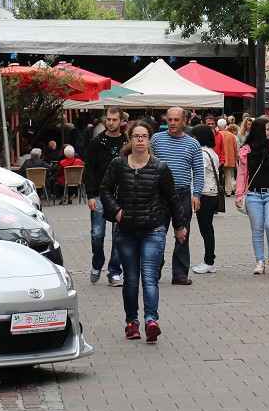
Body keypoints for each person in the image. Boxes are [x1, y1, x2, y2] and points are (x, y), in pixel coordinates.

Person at [99, 120, 188, 343]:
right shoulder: (118, 164)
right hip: (126, 230)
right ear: (130, 140)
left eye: (144, 136)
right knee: (130, 278)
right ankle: (132, 322)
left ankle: (151, 321)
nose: (140, 140)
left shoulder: (160, 167)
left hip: (153, 229)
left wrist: (179, 226)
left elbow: (172, 198)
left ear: (149, 140)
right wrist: (116, 212)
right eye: (136, 136)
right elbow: (105, 191)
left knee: (149, 277)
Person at [150, 107, 203, 286]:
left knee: (183, 234)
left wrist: (196, 194)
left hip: (182, 194)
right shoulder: (156, 139)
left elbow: (198, 171)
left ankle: (180, 273)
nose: (172, 123)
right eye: (169, 119)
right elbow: (148, 164)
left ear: (185, 121)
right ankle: (154, 269)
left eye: (176, 120)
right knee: (157, 233)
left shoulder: (193, 144)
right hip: (159, 195)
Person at [236, 117, 269, 274]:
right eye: (267, 129)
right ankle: (259, 261)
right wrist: (239, 193)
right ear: (260, 131)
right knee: (257, 229)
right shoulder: (246, 150)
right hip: (253, 194)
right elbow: (242, 174)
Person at [84, 108, 127, 285]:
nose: (111, 123)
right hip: (100, 193)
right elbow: (89, 170)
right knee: (97, 233)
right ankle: (97, 263)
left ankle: (114, 271)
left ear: (121, 121)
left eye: (114, 120)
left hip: (121, 194)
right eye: (108, 119)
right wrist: (90, 195)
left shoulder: (126, 142)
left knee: (119, 234)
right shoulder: (96, 142)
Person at [189, 124, 221, 274]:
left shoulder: (201, 154)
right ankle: (209, 260)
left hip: (205, 194)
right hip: (212, 193)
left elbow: (198, 175)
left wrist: (195, 195)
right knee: (208, 228)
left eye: (194, 136)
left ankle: (209, 261)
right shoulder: (211, 153)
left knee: (206, 229)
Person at [218, 118, 239, 196]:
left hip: (219, 158)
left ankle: (218, 190)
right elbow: (235, 147)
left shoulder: (217, 134)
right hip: (230, 157)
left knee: (218, 174)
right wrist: (236, 158)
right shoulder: (231, 135)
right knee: (229, 176)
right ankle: (228, 191)